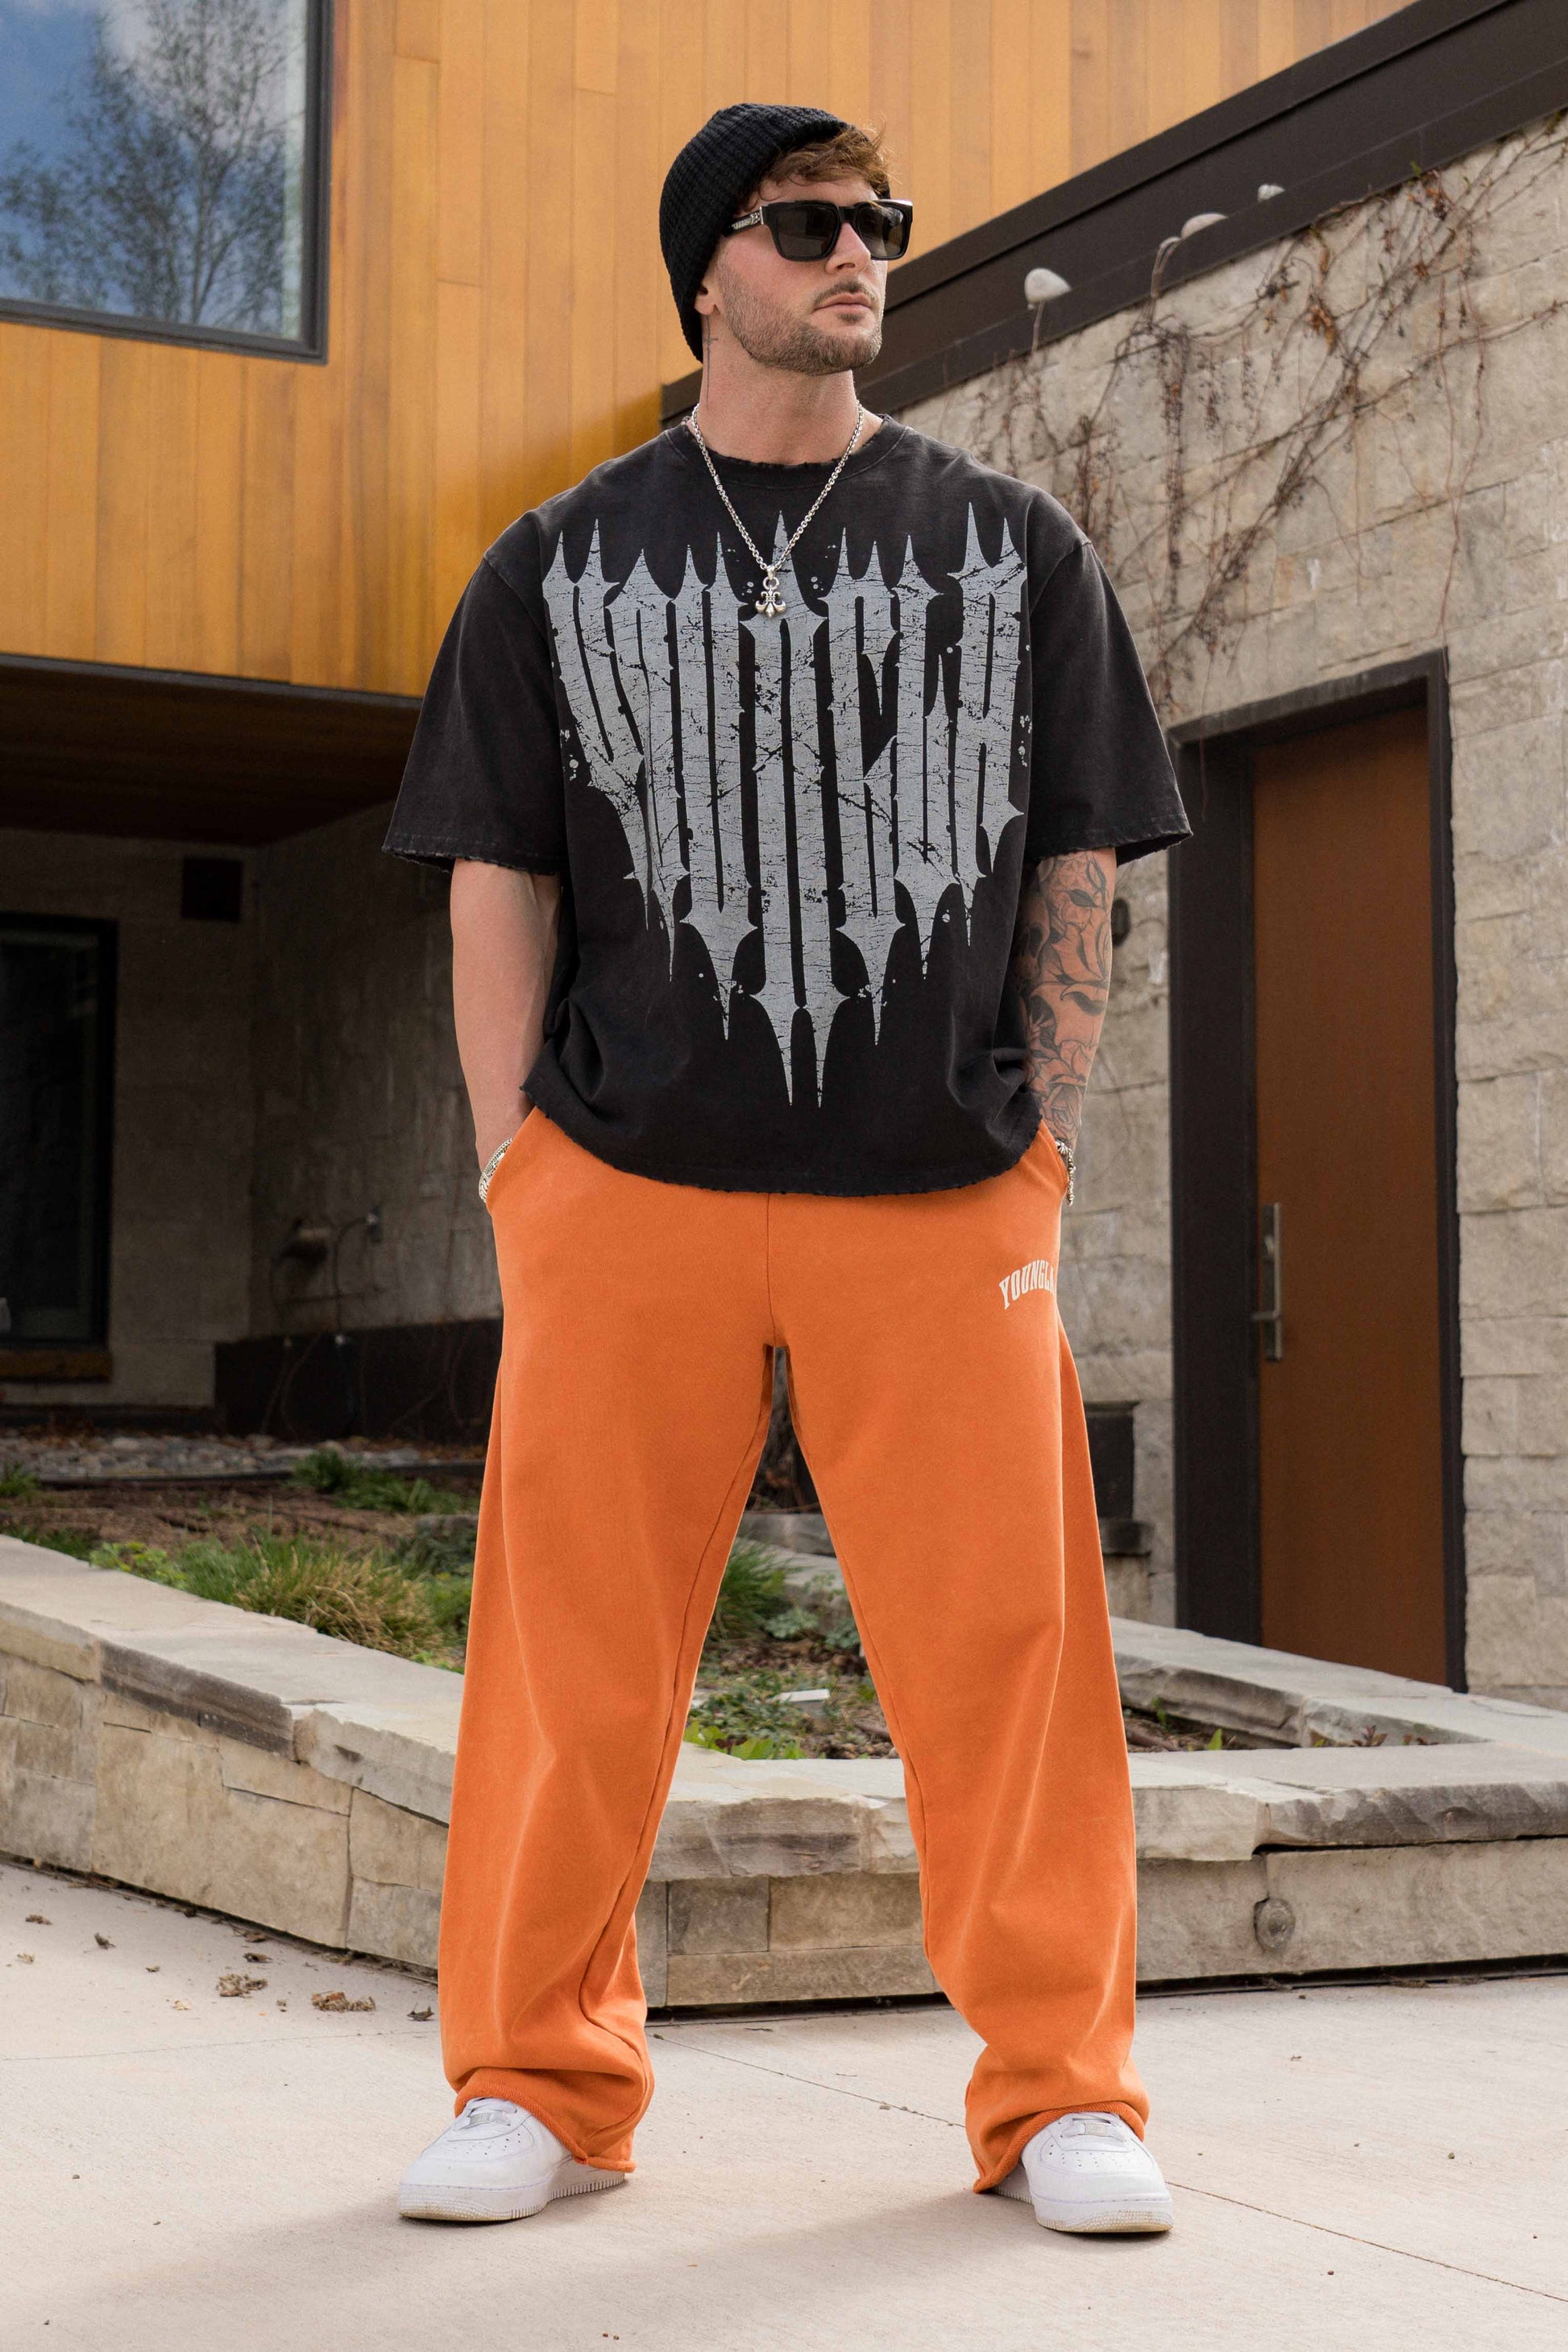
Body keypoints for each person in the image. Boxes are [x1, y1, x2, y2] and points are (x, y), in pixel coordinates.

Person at [384, 102, 1189, 2236]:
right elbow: (493, 876)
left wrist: (1044, 1150)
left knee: (1007, 1652)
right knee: (569, 1658)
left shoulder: (1013, 547)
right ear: (705, 272)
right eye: (810, 221)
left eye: (880, 223)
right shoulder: (555, 562)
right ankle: (536, 2082)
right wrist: (516, 1174)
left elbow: (1081, 859)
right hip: (626, 1190)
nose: (860, 254)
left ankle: (1060, 2094)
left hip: (940, 1196)